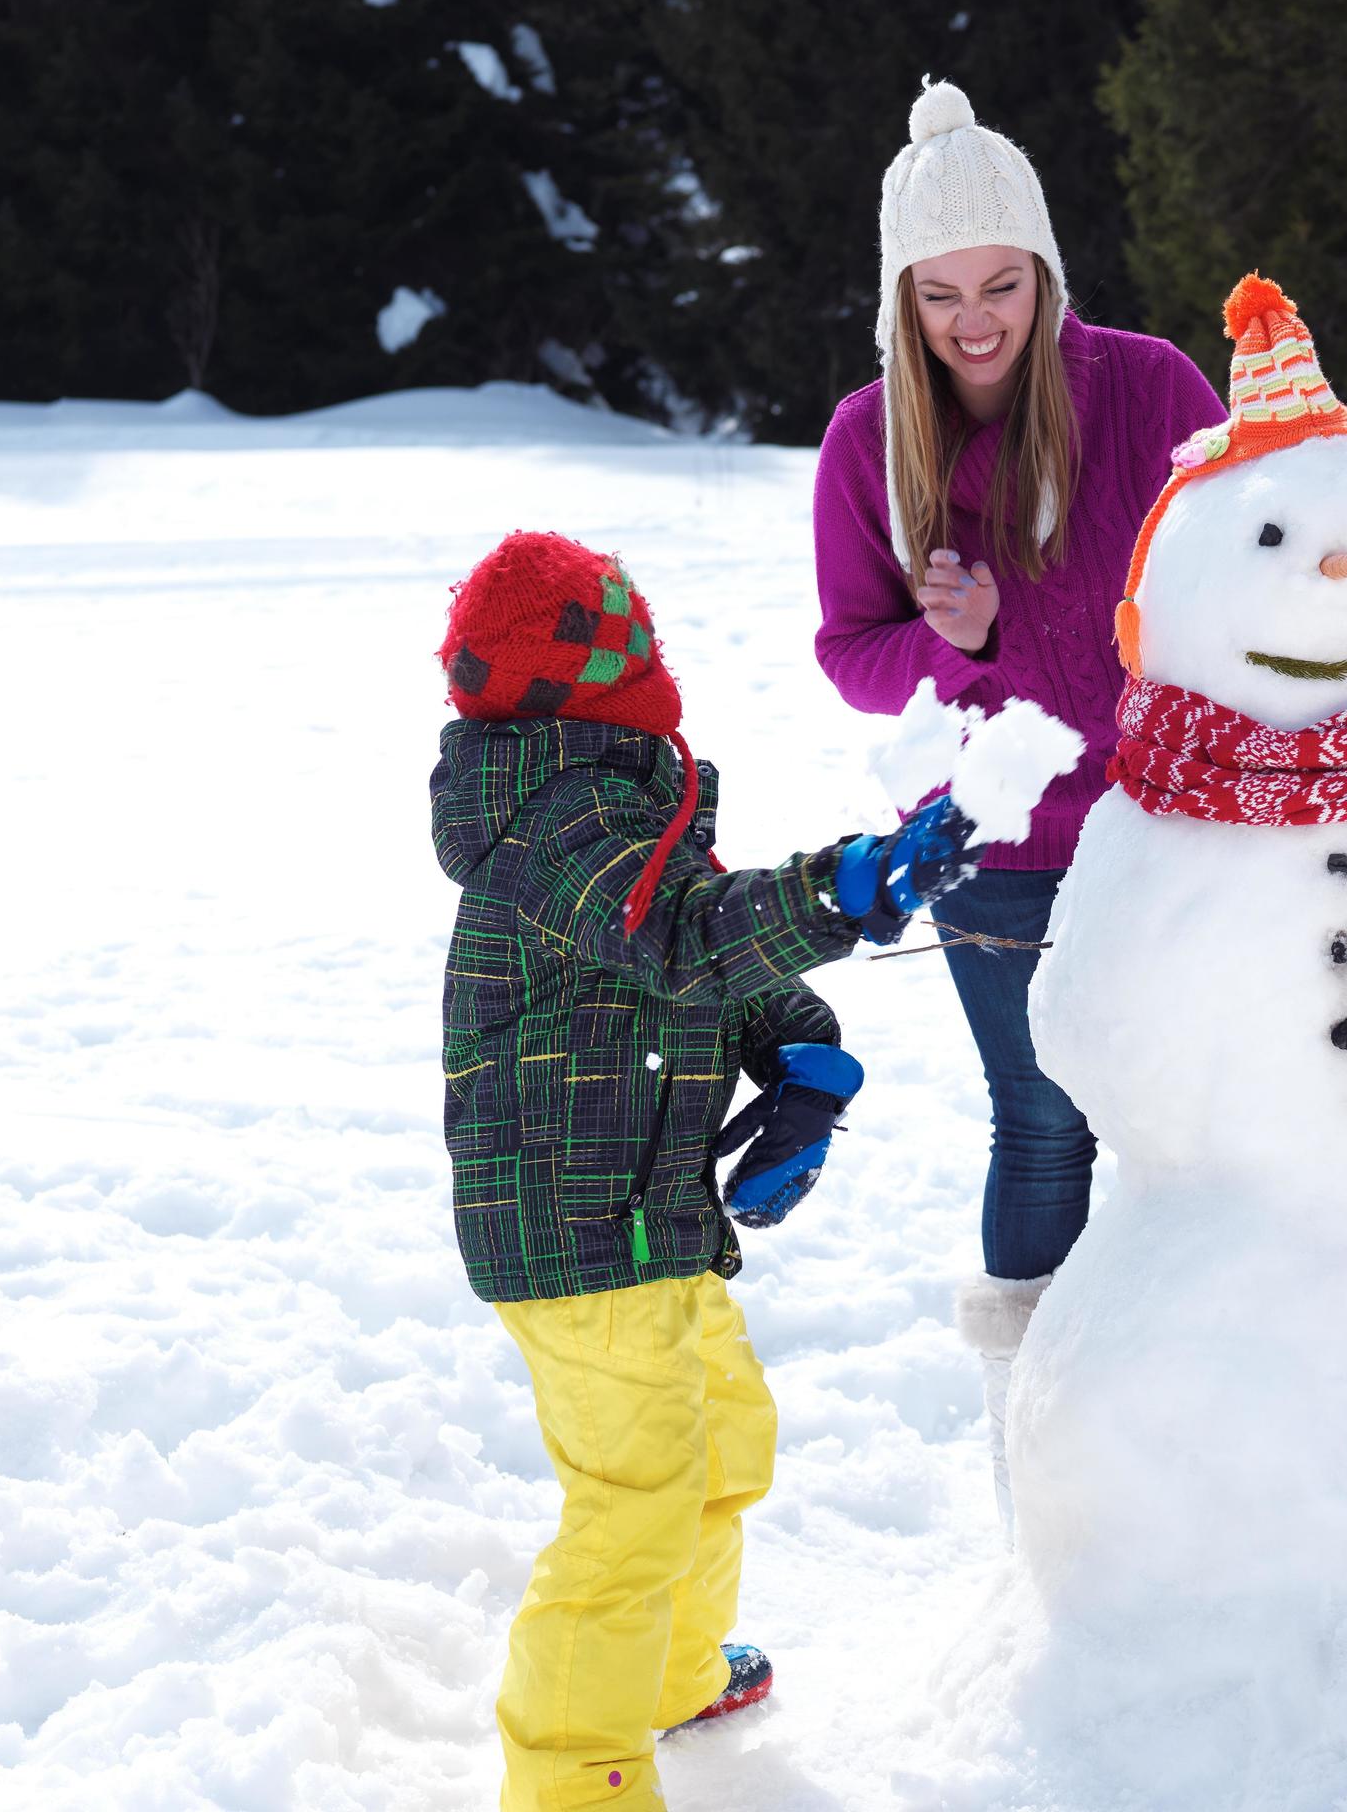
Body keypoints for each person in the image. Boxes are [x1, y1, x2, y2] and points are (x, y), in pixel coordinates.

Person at [432, 530, 982, 1810]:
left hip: (643, 1209)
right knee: (634, 1499)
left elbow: (700, 959)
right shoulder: (557, 813)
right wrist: (846, 887)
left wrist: (804, 1054)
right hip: (571, 1225)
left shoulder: (614, 795)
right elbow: (682, 933)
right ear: (619, 674)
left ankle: (673, 1669)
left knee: (723, 1442)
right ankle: (574, 1775)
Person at [810, 80, 1227, 1535]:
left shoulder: (1152, 385)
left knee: (1193, 1117)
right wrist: (960, 640)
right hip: (995, 851)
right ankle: (1040, 1431)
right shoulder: (872, 440)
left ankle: (1201, 1401)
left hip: (1169, 829)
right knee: (1045, 1121)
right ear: (902, 298)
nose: (975, 321)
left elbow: (1244, 569)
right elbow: (849, 657)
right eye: (941, 295)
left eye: (1000, 285)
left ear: (1044, 274)